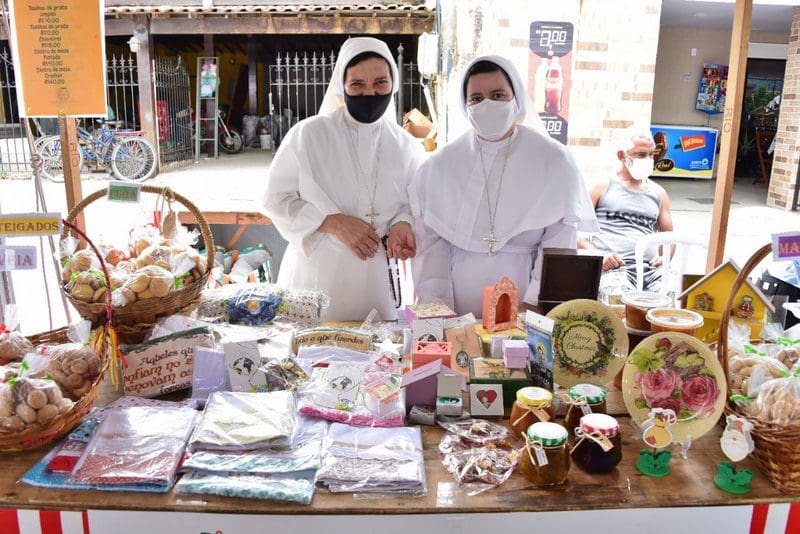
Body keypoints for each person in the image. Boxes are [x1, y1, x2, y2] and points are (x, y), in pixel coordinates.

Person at [410, 55, 598, 317]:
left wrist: (531, 304)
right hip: (455, 309)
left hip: (523, 305)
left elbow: (558, 243)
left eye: (498, 95)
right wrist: (438, 310)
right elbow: (430, 247)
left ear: (516, 98)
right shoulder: (440, 165)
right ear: (465, 105)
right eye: (476, 98)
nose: (486, 104)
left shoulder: (554, 159)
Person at [262, 37, 422, 320]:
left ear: (393, 85)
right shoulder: (308, 135)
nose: (370, 93)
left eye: (380, 83)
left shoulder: (407, 146)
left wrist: (402, 223)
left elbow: (415, 201)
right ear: (342, 86)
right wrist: (332, 222)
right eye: (357, 85)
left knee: (377, 356)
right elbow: (275, 199)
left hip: (377, 280)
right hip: (317, 275)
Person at [577, 127, 674, 294]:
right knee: (620, 302)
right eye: (641, 155)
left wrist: (665, 257)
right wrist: (599, 255)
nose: (649, 160)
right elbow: (575, 232)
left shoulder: (659, 194)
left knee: (672, 300)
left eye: (651, 154)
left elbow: (670, 238)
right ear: (622, 156)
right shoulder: (602, 187)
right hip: (614, 270)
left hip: (650, 270)